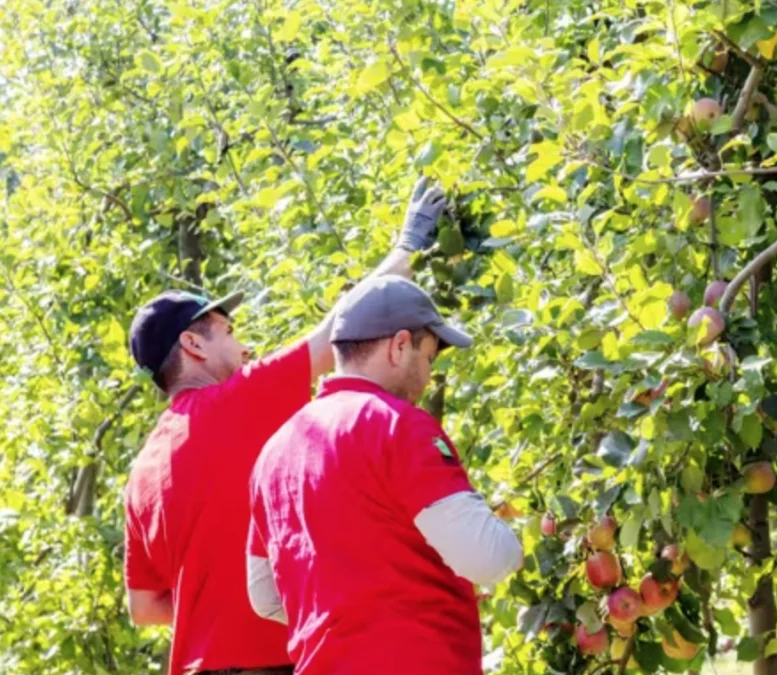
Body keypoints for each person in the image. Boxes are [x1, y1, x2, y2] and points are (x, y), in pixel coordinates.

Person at [122, 179, 449, 675]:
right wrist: (408, 247)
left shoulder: (141, 471)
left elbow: (144, 607)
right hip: (272, 663)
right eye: (229, 334)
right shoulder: (236, 402)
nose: (245, 348)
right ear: (193, 346)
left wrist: (214, 609)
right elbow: (342, 332)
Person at [245, 275, 524, 674]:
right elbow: (489, 557)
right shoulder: (398, 425)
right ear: (400, 346)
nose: (427, 377)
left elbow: (264, 596)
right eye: (428, 358)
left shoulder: (273, 453)